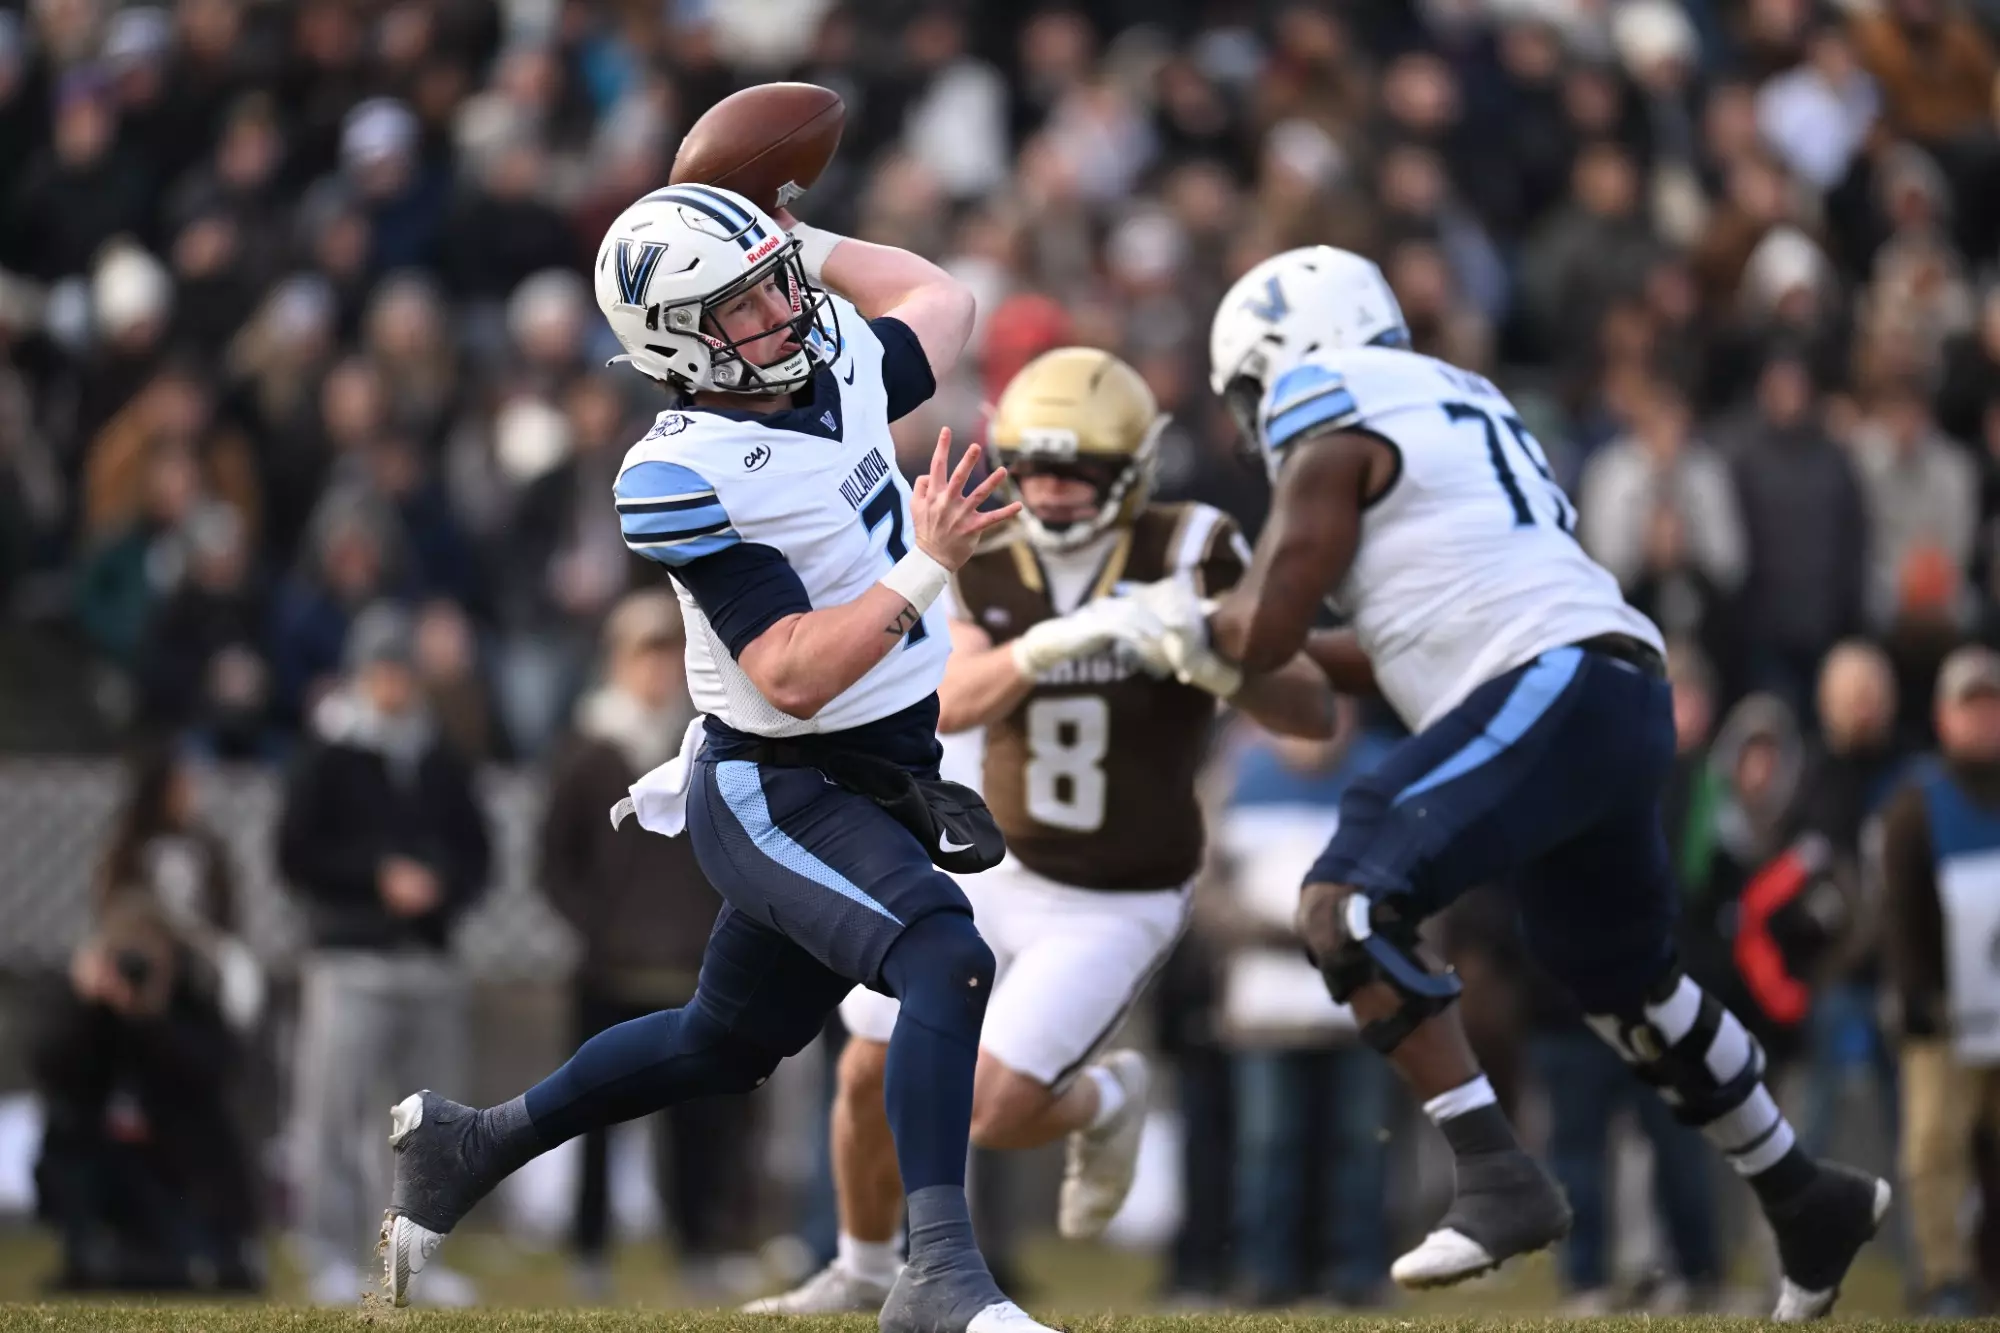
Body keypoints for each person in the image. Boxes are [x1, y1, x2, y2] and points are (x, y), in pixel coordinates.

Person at [378, 182, 1046, 1333]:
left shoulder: (822, 363)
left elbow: (937, 296)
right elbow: (787, 670)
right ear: (674, 342)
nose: (784, 310)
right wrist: (925, 566)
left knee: (717, 1043)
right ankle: (937, 1275)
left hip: (867, 775)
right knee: (944, 956)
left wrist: (803, 238)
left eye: (776, 284)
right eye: (742, 304)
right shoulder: (680, 469)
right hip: (774, 785)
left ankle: (466, 1144)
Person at [1188, 244, 1889, 1320]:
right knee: (1621, 984)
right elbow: (1393, 646)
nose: (1251, 419)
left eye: (1248, 387)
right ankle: (1803, 1192)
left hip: (1550, 682)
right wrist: (1230, 635)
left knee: (1349, 898)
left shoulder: (1321, 396)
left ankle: (1495, 1171)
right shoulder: (1449, 399)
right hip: (1600, 689)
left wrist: (1200, 619)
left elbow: (1267, 625)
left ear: (1285, 353)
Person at [746, 347, 1334, 1314]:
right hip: (996, 865)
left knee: (992, 1106)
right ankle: (858, 1269)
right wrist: (1065, 638)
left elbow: (1311, 712)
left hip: (1117, 889)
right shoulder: (988, 545)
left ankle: (1107, 1097)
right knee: (865, 1065)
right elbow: (954, 695)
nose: (1054, 493)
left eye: (1080, 473)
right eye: (1040, 468)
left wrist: (1218, 658)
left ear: (1136, 470)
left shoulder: (1194, 549)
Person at [539, 590, 758, 1298]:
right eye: (645, 655)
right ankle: (590, 1248)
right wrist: (598, 926)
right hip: (609, 971)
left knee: (700, 1127)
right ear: (618, 661)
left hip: (694, 970)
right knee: (596, 1116)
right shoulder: (587, 750)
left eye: (669, 656)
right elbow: (553, 861)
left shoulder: (705, 743)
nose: (658, 671)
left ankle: (698, 1246)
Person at [278, 601, 491, 1305]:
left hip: (428, 961)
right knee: (335, 1114)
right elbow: (295, 853)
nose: (393, 684)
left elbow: (477, 853)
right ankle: (330, 1250)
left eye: (403, 670)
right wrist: (377, 878)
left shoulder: (439, 756)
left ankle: (412, 1260)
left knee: (428, 1127)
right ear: (361, 674)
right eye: (382, 670)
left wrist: (439, 889)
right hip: (349, 959)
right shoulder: (330, 755)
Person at [1879, 644, 2000, 1315]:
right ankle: (1944, 1272)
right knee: (1934, 1145)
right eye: (1971, 707)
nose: (1984, 721)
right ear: (1944, 716)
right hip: (1947, 1013)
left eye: (1992, 706)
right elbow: (1897, 911)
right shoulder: (1916, 804)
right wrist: (1918, 992)